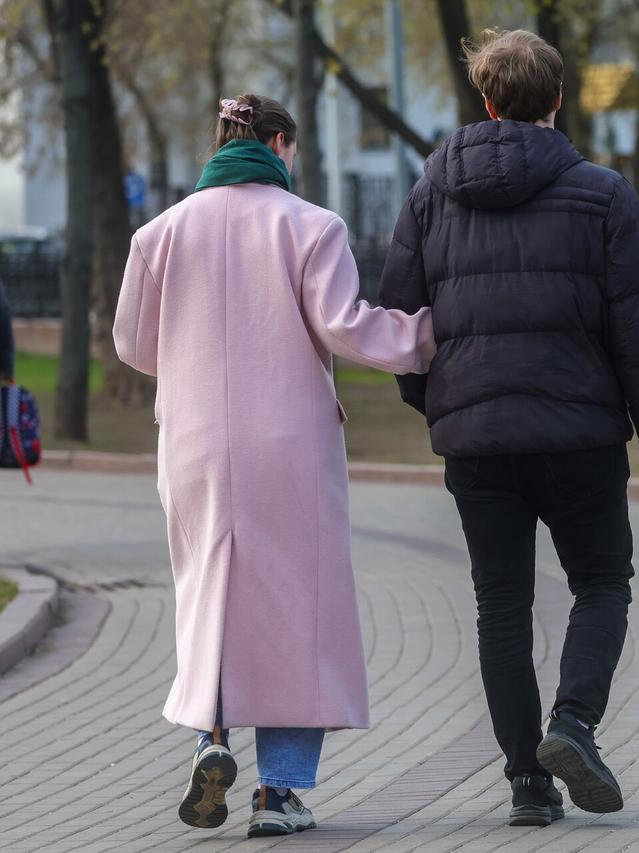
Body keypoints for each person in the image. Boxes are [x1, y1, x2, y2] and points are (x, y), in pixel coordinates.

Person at [379, 29, 639, 827]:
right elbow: (638, 326)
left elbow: (401, 322)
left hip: (477, 441)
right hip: (578, 434)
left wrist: (440, 403)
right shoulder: (602, 193)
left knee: (501, 606)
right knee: (602, 583)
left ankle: (526, 782)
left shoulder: (429, 194)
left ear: (486, 101)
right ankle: (573, 724)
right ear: (556, 100)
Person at [113, 93, 436, 838]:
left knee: (210, 592)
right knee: (299, 607)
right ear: (281, 144)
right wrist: (428, 333)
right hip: (288, 442)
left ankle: (213, 739)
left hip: (193, 441)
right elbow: (345, 326)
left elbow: (134, 343)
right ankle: (278, 793)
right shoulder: (311, 226)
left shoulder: (159, 233)